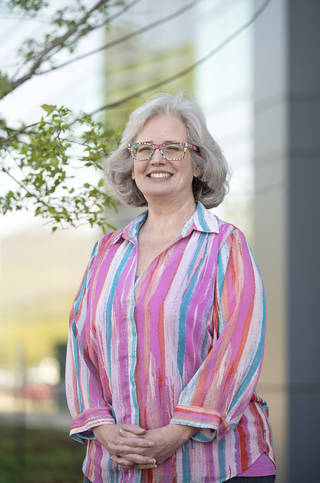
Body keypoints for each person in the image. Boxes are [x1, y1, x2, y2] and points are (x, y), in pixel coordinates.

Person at [65, 92, 276, 483]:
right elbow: (81, 348)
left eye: (173, 147)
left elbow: (238, 349)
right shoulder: (105, 251)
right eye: (143, 148)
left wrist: (177, 431)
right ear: (131, 165)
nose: (156, 158)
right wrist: (103, 429)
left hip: (218, 467)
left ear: (198, 164)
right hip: (116, 468)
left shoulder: (225, 245)